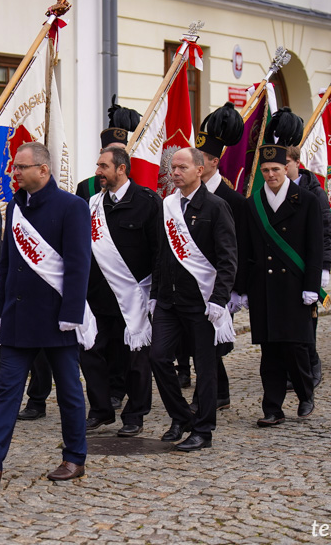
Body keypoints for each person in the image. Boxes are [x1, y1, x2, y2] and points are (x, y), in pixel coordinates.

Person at [0, 141, 91, 483]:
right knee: (8, 392)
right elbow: (7, 263)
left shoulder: (72, 206)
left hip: (57, 317)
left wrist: (72, 313)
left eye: (21, 167)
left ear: (42, 170)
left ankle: (75, 458)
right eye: (14, 166)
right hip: (17, 317)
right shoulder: (15, 206)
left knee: (70, 393)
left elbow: (78, 264)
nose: (13, 172)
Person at [238, 108, 322, 427]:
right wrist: (242, 289)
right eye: (266, 170)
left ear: (287, 168)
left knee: (296, 348)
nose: (271, 175)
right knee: (270, 351)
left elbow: (314, 248)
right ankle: (272, 407)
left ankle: (305, 393)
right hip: (265, 289)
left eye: (276, 169)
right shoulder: (252, 204)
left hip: (296, 288)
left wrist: (313, 286)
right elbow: (246, 249)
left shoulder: (307, 201)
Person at [148, 147, 236, 452]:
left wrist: (219, 299)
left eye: (182, 167)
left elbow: (227, 258)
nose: (175, 172)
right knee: (158, 357)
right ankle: (182, 416)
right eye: (173, 168)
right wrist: (154, 294)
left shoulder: (215, 206)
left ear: (199, 170)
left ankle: (204, 430)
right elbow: (162, 253)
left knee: (205, 366)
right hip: (169, 302)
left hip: (201, 301)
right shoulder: (167, 206)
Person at [81, 147, 161, 437]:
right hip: (98, 297)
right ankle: (101, 410)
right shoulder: (92, 204)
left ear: (122, 169)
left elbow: (159, 252)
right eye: (98, 165)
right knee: (89, 352)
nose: (98, 172)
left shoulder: (148, 202)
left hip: (134, 297)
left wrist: (155, 295)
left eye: (103, 166)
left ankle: (135, 415)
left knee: (136, 360)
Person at [187, 102, 246, 412]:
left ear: (212, 162)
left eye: (198, 160)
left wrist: (238, 289)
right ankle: (218, 391)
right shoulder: (185, 194)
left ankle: (208, 396)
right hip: (193, 279)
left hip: (220, 282)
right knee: (200, 342)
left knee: (209, 342)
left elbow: (242, 246)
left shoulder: (231, 198)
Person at [286, 145, 331, 388]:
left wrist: (324, 266)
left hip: (307, 265)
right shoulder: (275, 190)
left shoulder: (314, 192)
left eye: (286, 162)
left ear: (296, 162)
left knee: (307, 323)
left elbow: (326, 231)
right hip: (284, 268)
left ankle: (312, 365)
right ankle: (289, 370)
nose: (281, 169)